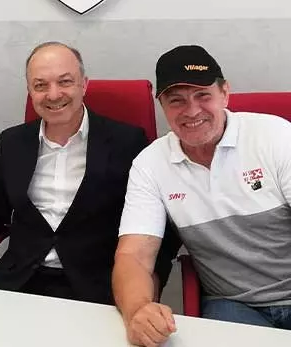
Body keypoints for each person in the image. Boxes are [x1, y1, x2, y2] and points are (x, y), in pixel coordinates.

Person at [0, 41, 177, 303]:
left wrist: (151, 279)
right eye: (40, 85)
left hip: (98, 285)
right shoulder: (13, 142)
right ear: (30, 91)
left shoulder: (127, 142)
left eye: (65, 82)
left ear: (84, 84)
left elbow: (158, 220)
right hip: (20, 280)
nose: (53, 95)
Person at [113, 44, 291, 345]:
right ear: (162, 105)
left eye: (203, 96)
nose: (192, 111)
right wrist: (138, 310)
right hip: (233, 303)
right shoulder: (150, 164)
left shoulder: (275, 136)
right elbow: (134, 255)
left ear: (225, 93)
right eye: (176, 100)